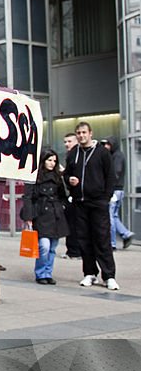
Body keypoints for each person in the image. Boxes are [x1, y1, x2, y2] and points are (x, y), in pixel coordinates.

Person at [65, 121, 117, 289]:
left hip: (98, 202)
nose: (81, 135)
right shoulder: (74, 153)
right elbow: (67, 174)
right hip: (80, 202)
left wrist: (106, 198)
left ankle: (108, 275)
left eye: (84, 132)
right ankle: (90, 273)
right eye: (78, 133)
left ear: (90, 133)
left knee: (102, 238)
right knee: (84, 239)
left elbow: (110, 176)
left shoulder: (102, 153)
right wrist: (69, 180)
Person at [20, 148, 70, 285]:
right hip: (41, 214)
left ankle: (48, 273)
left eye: (54, 160)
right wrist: (28, 217)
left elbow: (62, 196)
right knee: (44, 246)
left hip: (55, 214)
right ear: (43, 160)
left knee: (53, 247)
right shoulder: (34, 176)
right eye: (49, 160)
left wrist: (63, 207)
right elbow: (27, 197)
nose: (52, 163)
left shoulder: (57, 177)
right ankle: (41, 272)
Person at [103, 138, 134, 251]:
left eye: (107, 144)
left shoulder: (117, 156)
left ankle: (112, 243)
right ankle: (126, 234)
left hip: (115, 190)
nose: (105, 147)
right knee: (114, 215)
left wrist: (107, 186)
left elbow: (115, 172)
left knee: (110, 216)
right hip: (118, 189)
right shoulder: (116, 155)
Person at [61, 132, 80, 259]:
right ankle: (73, 250)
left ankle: (74, 251)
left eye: (69, 141)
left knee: (74, 225)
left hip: (76, 195)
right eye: (65, 142)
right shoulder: (71, 156)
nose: (67, 144)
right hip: (71, 195)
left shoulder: (77, 156)